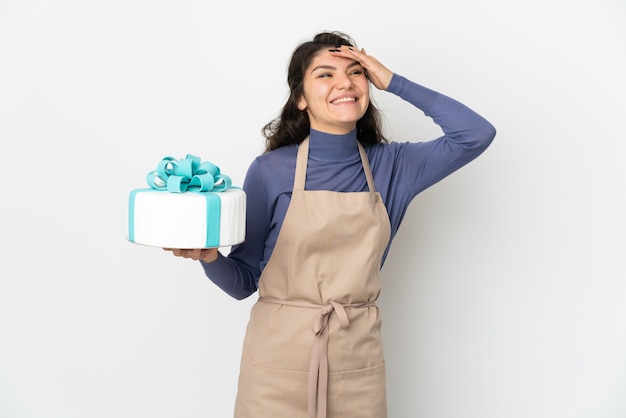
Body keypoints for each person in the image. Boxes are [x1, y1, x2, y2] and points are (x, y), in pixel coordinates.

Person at [165, 31, 496, 418]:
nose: (344, 82)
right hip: (275, 365)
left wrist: (392, 80)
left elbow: (475, 135)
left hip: (357, 363)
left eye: (356, 73)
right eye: (325, 74)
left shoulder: (394, 167)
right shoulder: (271, 171)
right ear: (300, 98)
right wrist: (209, 257)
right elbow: (243, 283)